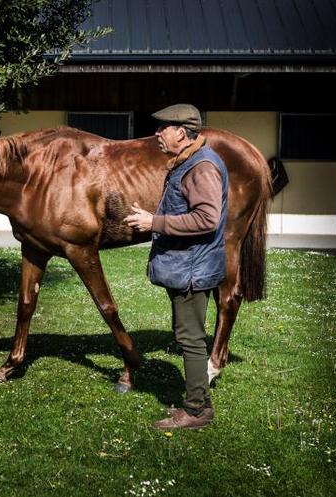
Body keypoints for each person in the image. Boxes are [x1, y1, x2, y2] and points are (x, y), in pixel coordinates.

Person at [124, 103, 228, 430]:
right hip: (188, 267)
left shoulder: (202, 167)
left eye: (162, 128)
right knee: (187, 336)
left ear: (181, 133)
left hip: (192, 271)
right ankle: (196, 403)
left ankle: (197, 410)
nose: (157, 134)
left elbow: (207, 218)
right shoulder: (189, 162)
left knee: (191, 339)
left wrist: (153, 222)